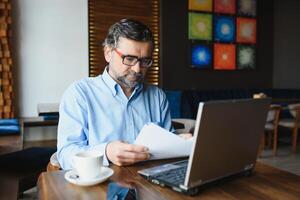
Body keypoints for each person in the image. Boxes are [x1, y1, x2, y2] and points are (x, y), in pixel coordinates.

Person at [57, 18, 191, 170]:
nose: (137, 69)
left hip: (151, 184)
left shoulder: (157, 96)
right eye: (129, 59)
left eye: (145, 61)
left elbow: (167, 144)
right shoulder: (79, 94)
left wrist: (181, 142)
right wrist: (106, 152)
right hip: (102, 186)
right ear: (108, 53)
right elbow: (65, 155)